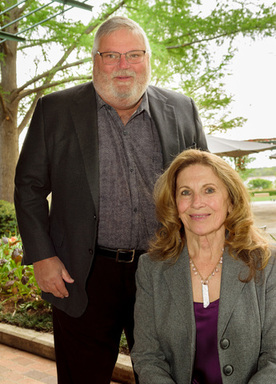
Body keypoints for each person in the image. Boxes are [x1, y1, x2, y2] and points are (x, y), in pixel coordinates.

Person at [14, 16, 208, 384]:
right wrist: (42, 256)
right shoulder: (54, 110)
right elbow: (29, 187)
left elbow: (206, 187)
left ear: (148, 58)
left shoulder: (182, 110)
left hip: (164, 268)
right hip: (81, 275)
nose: (124, 66)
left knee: (168, 376)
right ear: (95, 60)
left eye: (134, 55)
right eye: (112, 56)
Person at [131, 149, 276, 384]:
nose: (196, 203)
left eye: (209, 190)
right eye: (185, 192)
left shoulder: (266, 264)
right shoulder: (151, 268)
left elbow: (275, 358)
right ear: (175, 204)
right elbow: (147, 357)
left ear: (230, 200)